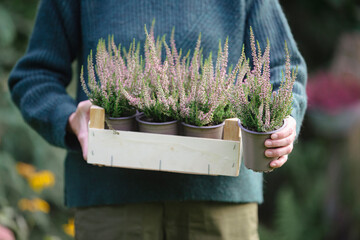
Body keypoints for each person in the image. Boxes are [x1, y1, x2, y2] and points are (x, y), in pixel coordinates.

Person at [8, 0, 307, 239]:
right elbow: (35, 76)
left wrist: (283, 117)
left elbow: (283, 67)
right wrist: (69, 119)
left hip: (222, 205)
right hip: (111, 204)